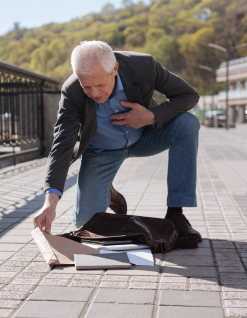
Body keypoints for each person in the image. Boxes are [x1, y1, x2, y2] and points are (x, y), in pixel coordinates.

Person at [33, 40, 201, 245]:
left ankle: (176, 214)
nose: (94, 93)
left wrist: (150, 116)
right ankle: (110, 194)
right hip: (102, 151)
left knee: (187, 123)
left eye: (100, 85)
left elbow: (189, 95)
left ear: (115, 69)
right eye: (87, 87)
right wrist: (50, 203)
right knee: (87, 225)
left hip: (145, 137)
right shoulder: (72, 90)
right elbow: (62, 144)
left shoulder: (143, 66)